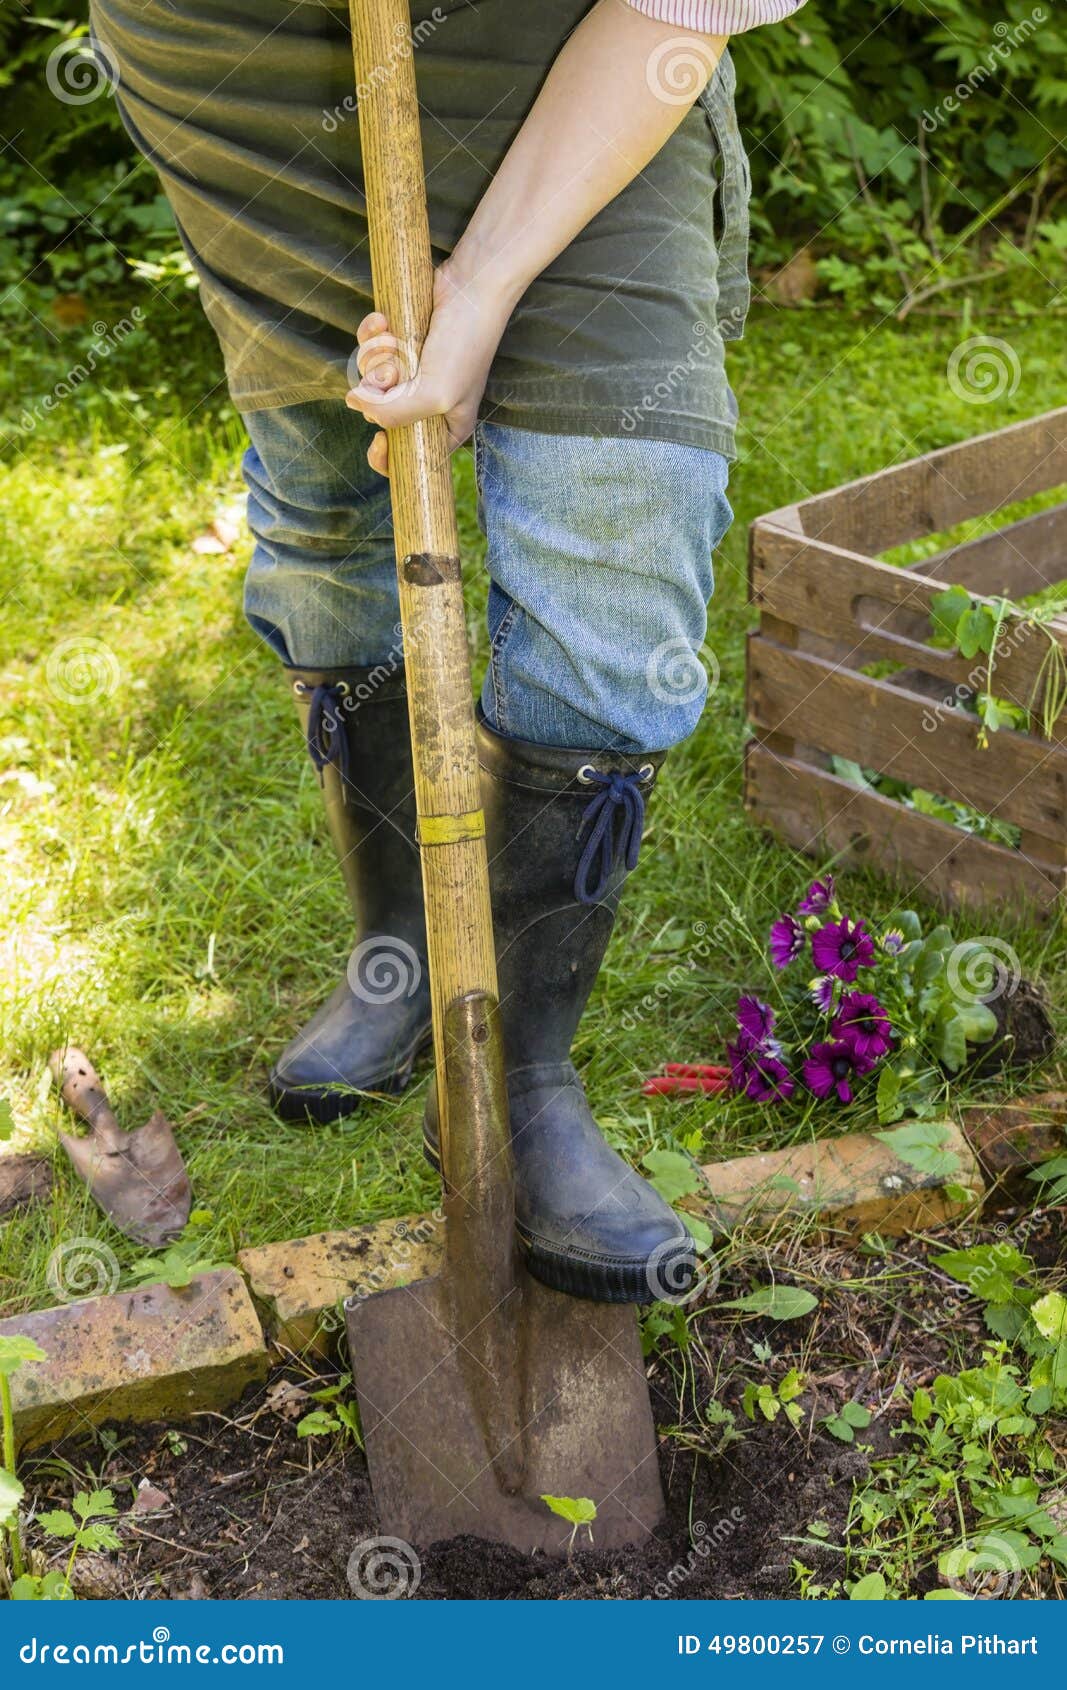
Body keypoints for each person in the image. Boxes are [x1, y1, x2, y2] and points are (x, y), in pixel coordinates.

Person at [90, 0, 807, 1303]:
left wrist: (475, 295)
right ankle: (402, 954)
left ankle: (519, 1074)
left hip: (576, 52)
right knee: (324, 502)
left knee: (622, 540)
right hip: (234, 66)